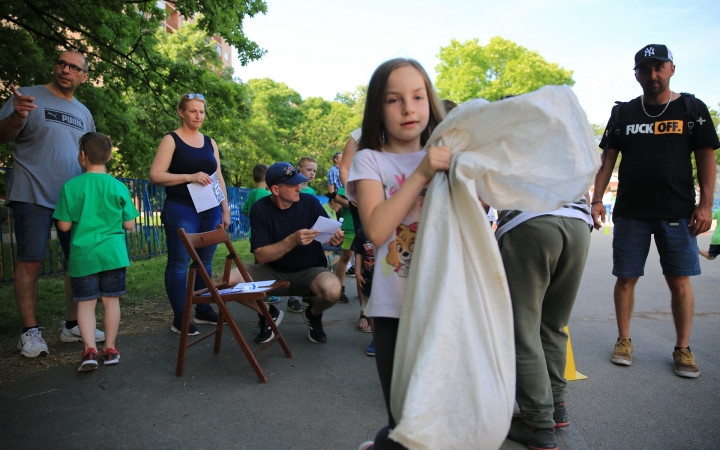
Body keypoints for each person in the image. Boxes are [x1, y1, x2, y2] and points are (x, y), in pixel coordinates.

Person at [593, 44, 719, 379]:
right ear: (636, 74)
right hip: (632, 211)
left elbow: (706, 156)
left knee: (679, 282)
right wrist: (596, 199)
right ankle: (623, 340)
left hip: (678, 211)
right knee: (626, 278)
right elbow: (607, 160)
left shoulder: (692, 109)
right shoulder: (623, 114)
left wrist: (705, 204)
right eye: (645, 70)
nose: (653, 75)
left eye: (659, 68)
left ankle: (683, 348)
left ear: (671, 69)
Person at [348, 58, 449, 450]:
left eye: (418, 96)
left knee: (441, 412)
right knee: (403, 417)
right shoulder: (370, 159)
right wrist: (422, 173)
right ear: (378, 107)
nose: (409, 108)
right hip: (394, 308)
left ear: (430, 101)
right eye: (394, 100)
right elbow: (375, 229)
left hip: (445, 304)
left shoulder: (449, 152)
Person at [0, 51, 105, 358]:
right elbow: (2, 136)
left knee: (78, 262)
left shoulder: (84, 113)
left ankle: (73, 325)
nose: (66, 70)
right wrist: (18, 115)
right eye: (62, 63)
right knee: (30, 260)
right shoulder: (28, 97)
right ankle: (29, 332)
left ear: (84, 77)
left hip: (72, 198)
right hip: (31, 192)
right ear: (54, 66)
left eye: (74, 67)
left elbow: (92, 157)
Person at [497, 199, 592, 450]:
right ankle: (556, 405)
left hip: (530, 220)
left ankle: (537, 423)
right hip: (578, 222)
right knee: (553, 324)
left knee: (522, 329)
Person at [230, 162, 345, 344]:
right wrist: (292, 240)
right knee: (228, 282)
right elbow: (261, 255)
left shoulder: (310, 202)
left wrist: (335, 239)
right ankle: (268, 313)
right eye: (293, 185)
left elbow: (326, 236)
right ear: (276, 189)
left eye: (299, 182)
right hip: (271, 271)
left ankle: (313, 314)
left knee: (333, 290)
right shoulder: (260, 209)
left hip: (310, 271)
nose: (299, 188)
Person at [53, 133, 139, 371]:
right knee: (111, 302)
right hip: (113, 254)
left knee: (86, 304)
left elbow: (64, 226)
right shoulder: (118, 186)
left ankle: (89, 350)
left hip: (83, 256)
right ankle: (110, 349)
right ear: (109, 156)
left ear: (82, 155)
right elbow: (130, 224)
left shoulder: (70, 187)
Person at [149, 93, 231, 336]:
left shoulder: (210, 142)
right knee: (179, 262)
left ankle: (203, 310)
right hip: (181, 208)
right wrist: (189, 177)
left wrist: (225, 209)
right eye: (193, 111)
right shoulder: (171, 140)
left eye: (202, 111)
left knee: (205, 261)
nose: (198, 116)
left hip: (210, 209)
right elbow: (156, 175)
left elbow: (218, 177)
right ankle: (180, 318)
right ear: (181, 112)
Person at [284, 156, 320, 313]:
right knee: (292, 263)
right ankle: (293, 299)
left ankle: (306, 293)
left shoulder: (311, 192)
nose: (312, 173)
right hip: (293, 231)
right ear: (299, 170)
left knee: (307, 264)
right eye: (309, 170)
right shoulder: (291, 188)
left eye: (315, 171)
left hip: (308, 232)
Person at [242, 163, 280, 306]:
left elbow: (245, 210)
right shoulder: (266, 194)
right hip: (264, 233)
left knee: (258, 263)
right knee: (263, 265)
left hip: (253, 232)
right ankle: (263, 294)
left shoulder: (252, 193)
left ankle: (258, 291)